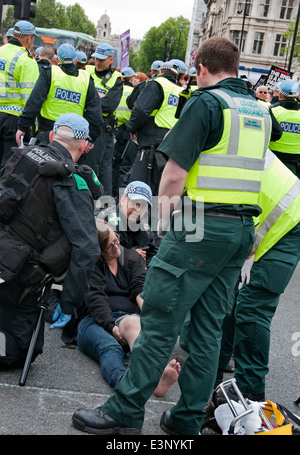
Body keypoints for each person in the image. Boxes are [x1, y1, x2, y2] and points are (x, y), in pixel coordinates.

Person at [72, 37, 272, 435]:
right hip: (239, 231)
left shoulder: (207, 102)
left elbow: (174, 175)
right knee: (208, 329)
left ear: (199, 67)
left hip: (200, 227)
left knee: (161, 319)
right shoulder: (261, 111)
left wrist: (161, 229)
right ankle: (187, 419)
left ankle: (125, 412)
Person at [0, 113, 101, 369]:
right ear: (83, 146)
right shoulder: (70, 180)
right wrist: (68, 302)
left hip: (6, 257)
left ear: (53, 135)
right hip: (21, 278)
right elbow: (87, 248)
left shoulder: (22, 154)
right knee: (20, 351)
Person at [217, 150, 300, 401]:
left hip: (289, 223)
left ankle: (251, 391)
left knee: (252, 307)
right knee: (230, 298)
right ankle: (217, 372)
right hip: (282, 218)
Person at [76, 219, 180, 393]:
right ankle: (124, 383)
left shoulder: (132, 258)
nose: (116, 247)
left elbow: (140, 289)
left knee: (134, 324)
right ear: (97, 250)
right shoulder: (90, 265)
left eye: (116, 240)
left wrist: (150, 316)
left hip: (128, 318)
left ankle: (155, 378)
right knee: (110, 347)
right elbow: (96, 300)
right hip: (95, 321)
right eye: (109, 247)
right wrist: (111, 327)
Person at [15, 43, 102, 154]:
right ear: (75, 60)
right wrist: (91, 138)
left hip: (48, 134)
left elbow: (34, 102)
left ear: (57, 59)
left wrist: (23, 127)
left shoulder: (50, 73)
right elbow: (95, 113)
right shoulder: (86, 79)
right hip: (74, 138)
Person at [124, 61, 182, 197]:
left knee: (137, 190)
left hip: (151, 148)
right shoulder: (182, 92)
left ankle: (134, 218)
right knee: (159, 193)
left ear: (160, 72)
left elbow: (140, 110)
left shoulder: (157, 83)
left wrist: (131, 128)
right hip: (171, 150)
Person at [0, 20, 39, 168]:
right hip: (13, 119)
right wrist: (30, 124)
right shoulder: (26, 60)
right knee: (8, 165)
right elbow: (30, 97)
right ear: (29, 38)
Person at [85, 43, 123, 195]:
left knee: (102, 168)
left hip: (103, 128)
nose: (98, 63)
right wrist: (97, 98)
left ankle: (103, 203)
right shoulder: (86, 71)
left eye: (102, 60)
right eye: (96, 59)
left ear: (111, 60)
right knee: (89, 164)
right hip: (87, 124)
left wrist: (90, 100)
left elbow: (108, 105)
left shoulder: (116, 79)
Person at [97, 181, 158, 267]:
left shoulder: (143, 224)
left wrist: (142, 267)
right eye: (134, 202)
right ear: (123, 199)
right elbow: (98, 257)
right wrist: (129, 256)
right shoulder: (104, 220)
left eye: (142, 205)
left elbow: (152, 254)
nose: (137, 209)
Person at [113, 67, 138, 197]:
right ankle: (119, 193)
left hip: (113, 128)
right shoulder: (134, 92)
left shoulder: (115, 90)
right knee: (123, 164)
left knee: (111, 161)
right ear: (132, 78)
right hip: (127, 131)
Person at [269, 79, 300, 176]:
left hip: (274, 157)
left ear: (280, 94)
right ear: (296, 95)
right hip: (296, 160)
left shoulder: (272, 110)